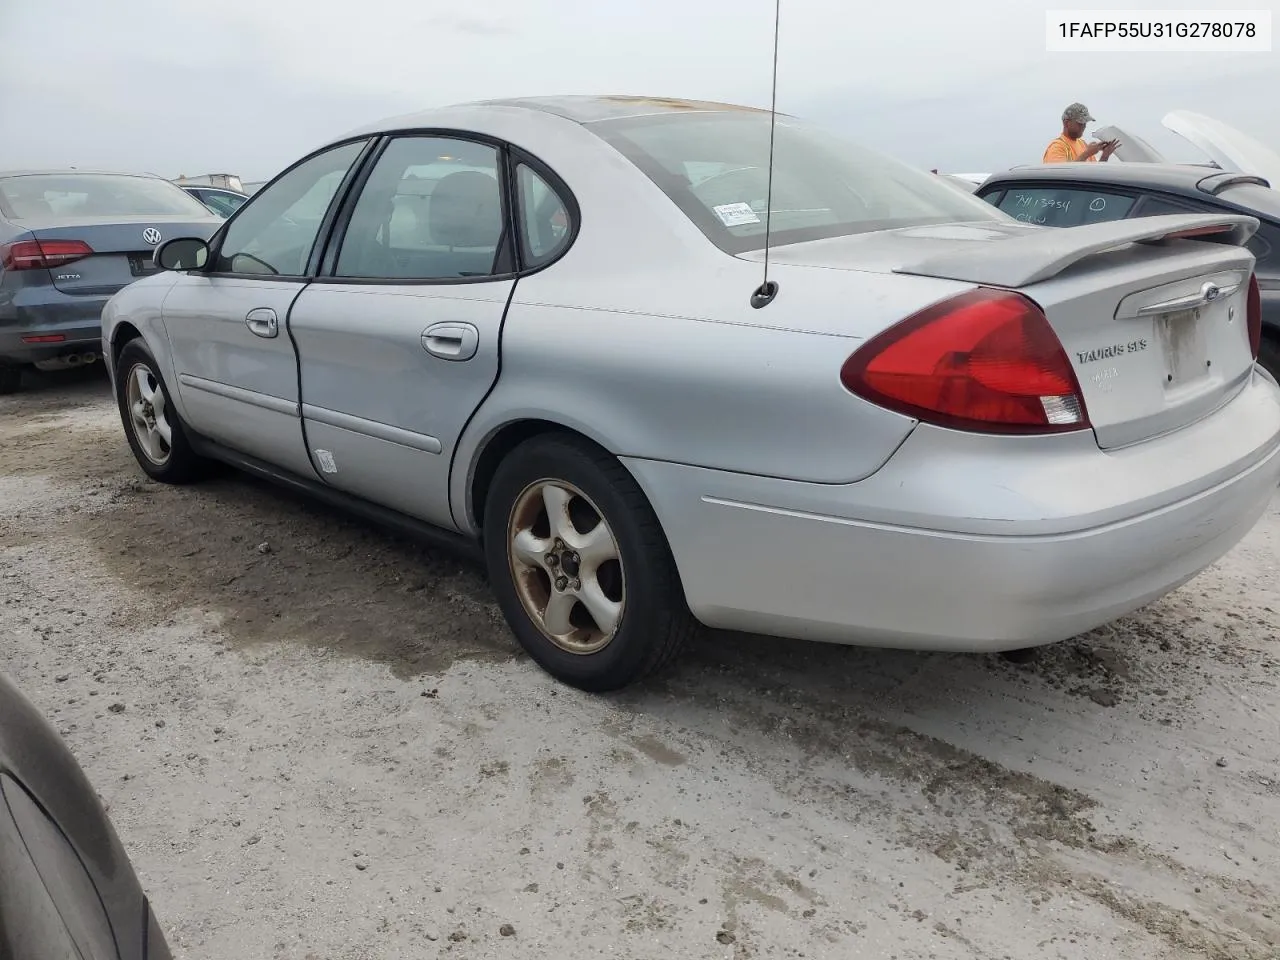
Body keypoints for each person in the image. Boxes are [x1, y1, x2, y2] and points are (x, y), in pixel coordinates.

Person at [1043, 103, 1120, 164]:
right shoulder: (1057, 147)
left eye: (1085, 123)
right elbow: (1062, 176)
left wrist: (1105, 155)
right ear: (1066, 123)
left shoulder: (1083, 144)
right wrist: (1087, 153)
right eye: (1080, 123)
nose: (1084, 126)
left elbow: (1094, 175)